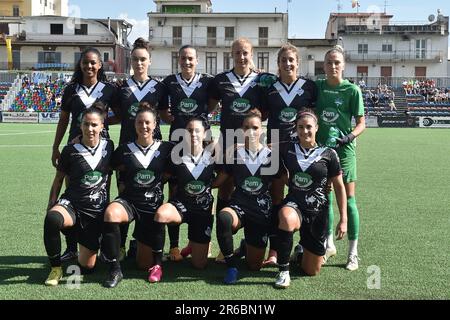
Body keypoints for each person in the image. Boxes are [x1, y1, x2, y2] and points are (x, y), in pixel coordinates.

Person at [209, 38, 276, 262]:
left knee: (258, 190)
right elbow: (208, 108)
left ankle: (258, 243)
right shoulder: (221, 80)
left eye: (245, 52)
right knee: (226, 191)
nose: (241, 56)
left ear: (252, 54)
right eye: (237, 52)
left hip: (255, 145)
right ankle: (224, 246)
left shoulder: (262, 80)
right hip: (228, 144)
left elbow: (268, 109)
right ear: (232, 54)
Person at [51, 47, 119, 263]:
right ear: (80, 65)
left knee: (100, 197)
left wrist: (102, 125)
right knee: (73, 195)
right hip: (75, 150)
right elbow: (63, 120)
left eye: (93, 63)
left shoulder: (109, 89)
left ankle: (98, 245)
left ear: (100, 65)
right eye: (85, 62)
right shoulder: (71, 89)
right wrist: (56, 146)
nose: (89, 66)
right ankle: (72, 246)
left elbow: (121, 116)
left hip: (101, 151)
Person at [274, 109, 347, 288]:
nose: (304, 131)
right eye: (300, 127)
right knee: (285, 216)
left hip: (318, 212)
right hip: (295, 204)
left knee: (311, 271)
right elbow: (264, 147)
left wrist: (343, 219)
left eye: (308, 127)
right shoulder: (288, 148)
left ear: (316, 128)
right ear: (296, 128)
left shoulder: (329, 153)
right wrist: (238, 146)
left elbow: (339, 186)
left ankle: (300, 252)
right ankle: (283, 271)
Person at [101, 103, 172, 288]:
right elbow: (106, 165)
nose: (144, 126)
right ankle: (115, 269)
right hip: (129, 202)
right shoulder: (125, 149)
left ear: (155, 124)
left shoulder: (165, 149)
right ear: (135, 125)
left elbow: (171, 173)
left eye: (148, 122)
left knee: (142, 264)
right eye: (140, 122)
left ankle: (142, 253)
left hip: (151, 206)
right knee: (111, 213)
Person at [43, 103, 114, 286]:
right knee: (52, 219)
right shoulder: (70, 150)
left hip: (95, 211)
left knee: (88, 267)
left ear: (102, 127)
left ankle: (81, 242)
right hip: (72, 203)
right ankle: (56, 267)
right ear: (80, 126)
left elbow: (114, 174)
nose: (90, 129)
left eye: (94, 125)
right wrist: (52, 202)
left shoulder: (109, 147)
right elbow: (59, 179)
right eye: (86, 124)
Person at [260, 43, 317, 266]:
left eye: (291, 60)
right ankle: (274, 251)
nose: (288, 64)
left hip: (300, 152)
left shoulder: (309, 87)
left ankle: (303, 245)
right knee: (275, 199)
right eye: (283, 60)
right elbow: (262, 114)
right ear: (278, 64)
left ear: (298, 62)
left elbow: (315, 119)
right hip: (276, 151)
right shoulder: (270, 88)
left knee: (303, 196)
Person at [159, 45, 215, 262]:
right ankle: (173, 246)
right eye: (183, 58)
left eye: (190, 58)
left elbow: (211, 105)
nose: (187, 62)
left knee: (205, 187)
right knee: (175, 190)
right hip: (177, 142)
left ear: (197, 60)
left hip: (202, 140)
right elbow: (163, 110)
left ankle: (201, 241)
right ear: (178, 60)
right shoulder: (169, 82)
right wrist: (173, 119)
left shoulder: (207, 81)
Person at [116, 38, 168, 260]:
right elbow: (115, 116)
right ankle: (120, 246)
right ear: (131, 61)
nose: (139, 63)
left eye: (143, 59)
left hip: (153, 151)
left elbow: (166, 116)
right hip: (127, 150)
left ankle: (146, 243)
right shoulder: (121, 88)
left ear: (150, 61)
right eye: (135, 59)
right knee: (124, 194)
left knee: (152, 196)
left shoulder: (159, 87)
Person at [315, 45, 366, 271]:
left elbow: (361, 123)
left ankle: (353, 253)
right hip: (322, 152)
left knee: (349, 199)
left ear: (343, 65)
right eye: (329, 63)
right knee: (325, 197)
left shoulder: (352, 90)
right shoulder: (317, 88)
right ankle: (328, 244)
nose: (333, 66)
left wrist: (350, 137)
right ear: (323, 66)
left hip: (344, 152)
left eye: (337, 62)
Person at [214, 110, 277, 284]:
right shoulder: (234, 154)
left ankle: (244, 246)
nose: (250, 131)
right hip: (239, 206)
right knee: (224, 218)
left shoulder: (272, 155)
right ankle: (231, 265)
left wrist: (322, 183)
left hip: (260, 211)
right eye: (246, 127)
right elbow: (219, 180)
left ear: (261, 131)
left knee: (254, 266)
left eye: (255, 127)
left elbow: (287, 180)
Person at [154, 117, 217, 269]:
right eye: (189, 130)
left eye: (197, 131)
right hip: (181, 205)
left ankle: (194, 245)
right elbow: (165, 177)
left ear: (205, 134)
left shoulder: (214, 155)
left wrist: (210, 186)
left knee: (199, 265)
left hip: (202, 210)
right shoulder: (176, 156)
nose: (193, 134)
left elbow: (226, 174)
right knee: (162, 214)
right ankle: (156, 265)